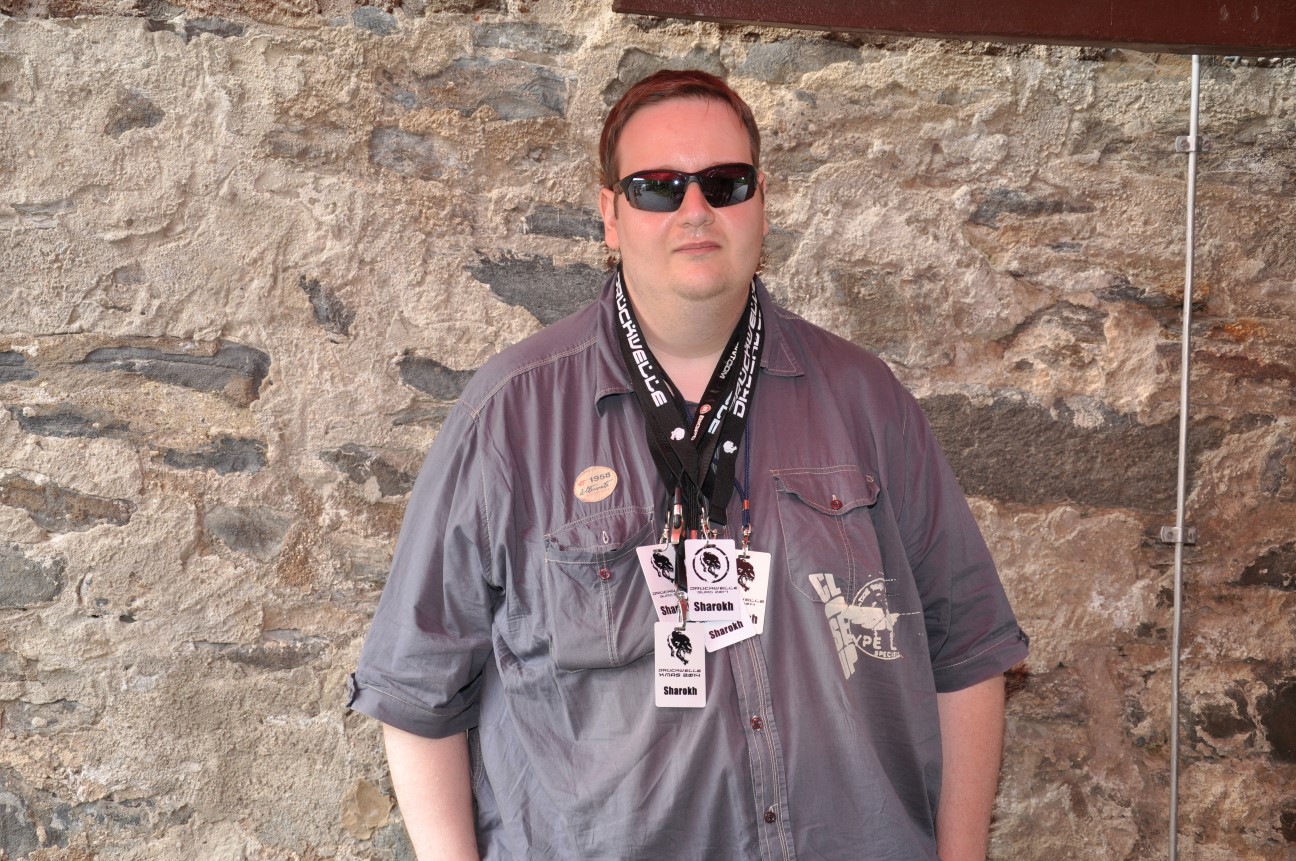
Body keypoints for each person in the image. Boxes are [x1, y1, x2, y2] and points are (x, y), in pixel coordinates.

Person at [348, 69, 1029, 861]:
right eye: (658, 187)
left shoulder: (866, 399)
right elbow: (416, 691)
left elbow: (967, 648)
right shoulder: (509, 418)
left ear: (761, 202)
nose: (695, 209)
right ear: (610, 215)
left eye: (724, 183)